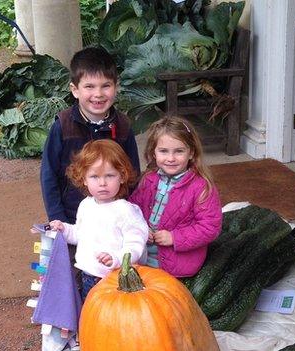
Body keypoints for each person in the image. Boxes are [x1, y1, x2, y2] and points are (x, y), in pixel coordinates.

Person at [40, 47, 140, 226]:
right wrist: (57, 217)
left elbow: (133, 174)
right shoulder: (62, 126)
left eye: (106, 86)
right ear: (75, 89)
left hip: (114, 218)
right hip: (71, 218)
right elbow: (49, 175)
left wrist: (130, 215)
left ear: (116, 87)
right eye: (89, 86)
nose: (98, 94)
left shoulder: (123, 126)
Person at [49, 139, 148, 300]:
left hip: (115, 281)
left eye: (109, 175)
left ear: (122, 177)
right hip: (87, 276)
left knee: (112, 321)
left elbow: (136, 244)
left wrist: (117, 259)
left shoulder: (127, 211)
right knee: (91, 318)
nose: (102, 183)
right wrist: (64, 230)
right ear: (84, 179)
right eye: (94, 176)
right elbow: (80, 235)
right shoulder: (86, 205)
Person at [129, 116, 222, 278]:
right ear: (153, 152)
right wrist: (143, 227)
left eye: (179, 151)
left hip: (176, 261)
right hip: (143, 251)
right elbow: (133, 209)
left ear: (191, 152)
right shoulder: (149, 179)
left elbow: (210, 228)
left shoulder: (201, 187)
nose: (171, 158)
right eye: (163, 151)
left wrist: (174, 237)